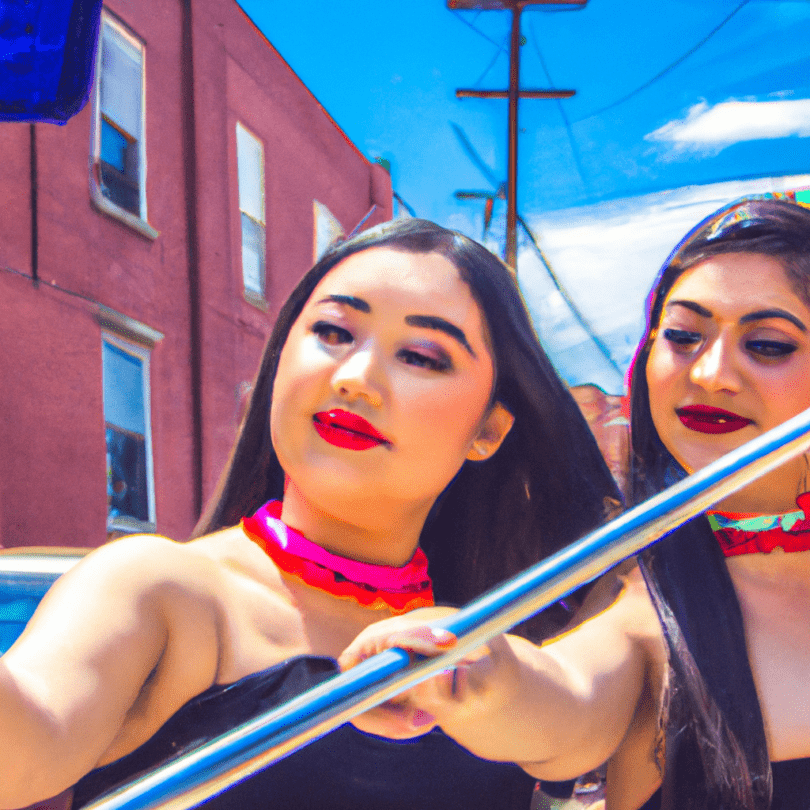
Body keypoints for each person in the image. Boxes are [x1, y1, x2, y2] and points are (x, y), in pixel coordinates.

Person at [0, 218, 620, 810]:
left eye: (421, 356)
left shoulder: (515, 641)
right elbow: (27, 740)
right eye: (333, 332)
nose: (356, 378)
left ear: (488, 430)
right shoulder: (164, 591)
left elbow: (587, 725)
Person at [340, 199, 810, 810]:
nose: (710, 373)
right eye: (683, 336)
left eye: (768, 344)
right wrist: (471, 672)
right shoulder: (647, 593)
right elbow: (565, 698)